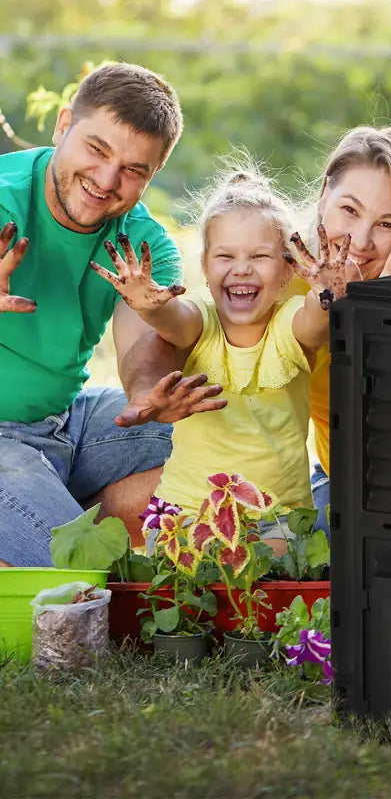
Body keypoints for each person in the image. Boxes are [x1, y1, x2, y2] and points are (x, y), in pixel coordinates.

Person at [0, 63, 221, 567]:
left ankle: (37, 519)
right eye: (97, 150)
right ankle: (51, 534)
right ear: (62, 126)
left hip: (66, 422)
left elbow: (142, 344)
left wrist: (146, 393)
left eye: (134, 170)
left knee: (221, 437)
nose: (106, 180)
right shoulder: (3, 196)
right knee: (77, 577)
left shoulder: (143, 245)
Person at [89, 164, 351, 528]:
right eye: (226, 257)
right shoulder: (201, 320)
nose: (241, 269)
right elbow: (173, 319)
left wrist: (327, 290)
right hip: (187, 515)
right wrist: (149, 303)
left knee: (275, 574)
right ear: (206, 268)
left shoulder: (287, 323)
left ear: (288, 270)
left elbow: (314, 321)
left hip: (280, 518)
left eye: (259, 257)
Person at [288, 126, 391, 534]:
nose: (360, 241)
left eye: (387, 224)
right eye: (350, 210)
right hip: (337, 490)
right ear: (324, 194)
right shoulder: (283, 285)